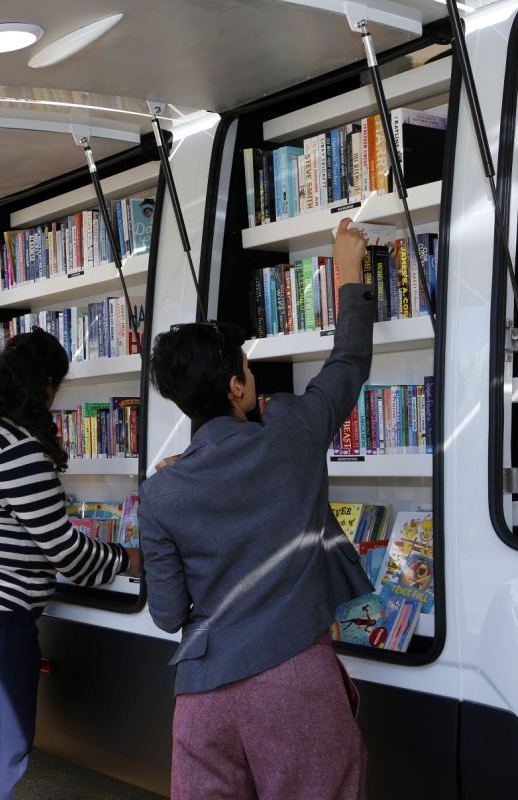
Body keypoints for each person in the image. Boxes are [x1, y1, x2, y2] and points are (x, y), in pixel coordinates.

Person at [139, 218, 375, 800]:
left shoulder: (161, 492)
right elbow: (347, 367)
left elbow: (168, 615)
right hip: (294, 683)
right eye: (246, 367)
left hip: (201, 702)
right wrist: (349, 274)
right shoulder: (290, 433)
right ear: (237, 389)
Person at [0, 328, 140, 800]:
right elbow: (65, 553)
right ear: (43, 384)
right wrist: (128, 558)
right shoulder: (17, 447)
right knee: (4, 745)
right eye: (56, 387)